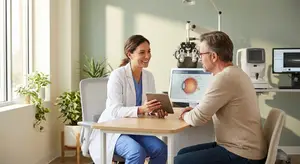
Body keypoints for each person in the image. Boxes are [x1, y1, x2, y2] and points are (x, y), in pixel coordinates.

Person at [174, 31, 268, 164]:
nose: (200, 59)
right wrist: (195, 111)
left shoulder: (225, 78)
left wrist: (184, 115)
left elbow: (197, 119)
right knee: (181, 154)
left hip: (243, 154)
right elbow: (207, 107)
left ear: (213, 56)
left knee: (180, 161)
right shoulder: (234, 73)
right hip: (242, 148)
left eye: (201, 54)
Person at [89, 34, 168, 164]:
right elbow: (114, 110)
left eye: (149, 51)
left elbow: (147, 106)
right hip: (115, 130)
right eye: (142, 52)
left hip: (137, 129)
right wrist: (141, 109)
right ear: (130, 54)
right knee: (136, 153)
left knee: (161, 149)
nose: (147, 56)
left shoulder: (149, 76)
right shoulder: (117, 75)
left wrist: (154, 111)